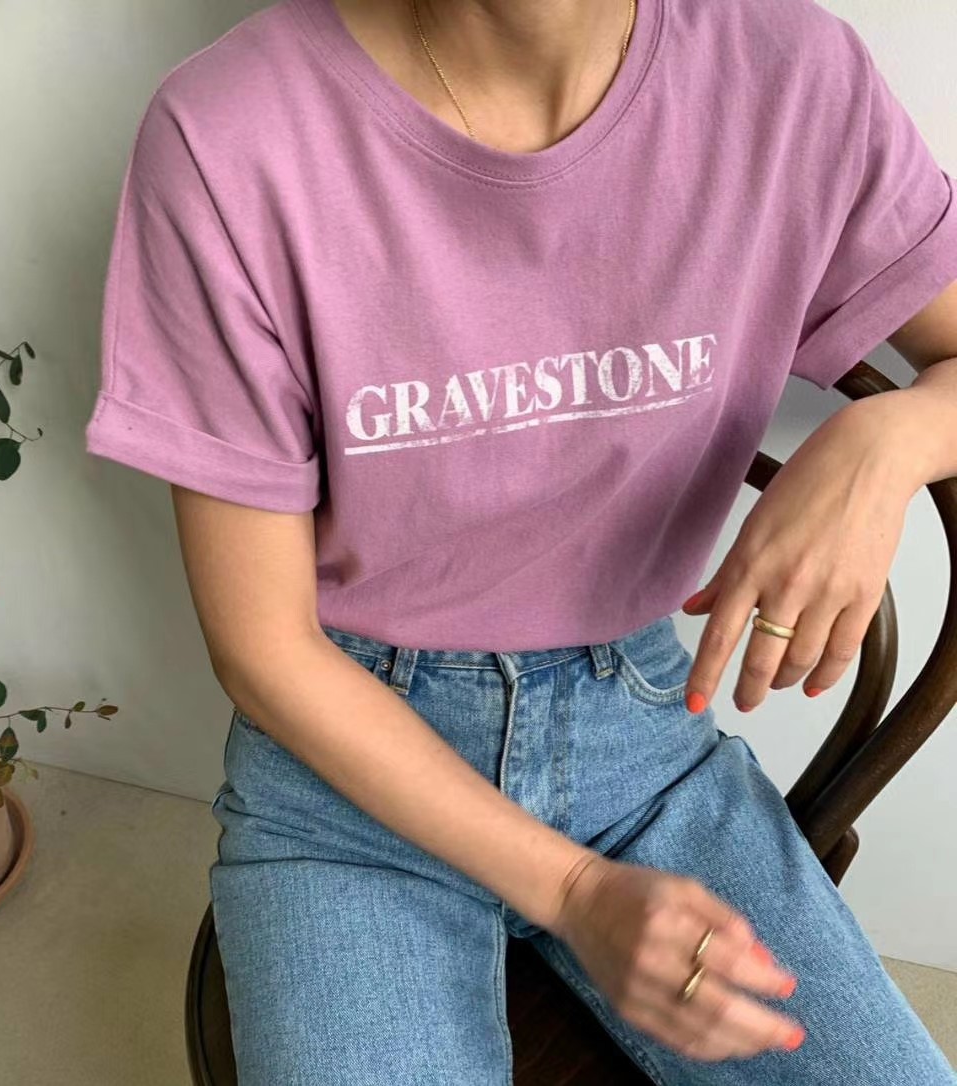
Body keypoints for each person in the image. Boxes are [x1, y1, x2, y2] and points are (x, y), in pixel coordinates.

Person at [84, 0, 957, 1081]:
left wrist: (890, 439)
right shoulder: (231, 131)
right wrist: (576, 893)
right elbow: (263, 647)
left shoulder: (788, 77)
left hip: (644, 746)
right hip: (344, 771)